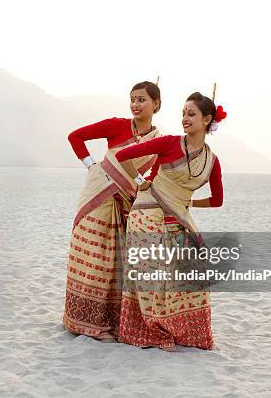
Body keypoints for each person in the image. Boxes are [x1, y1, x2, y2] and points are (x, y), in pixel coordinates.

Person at [114, 91, 227, 350]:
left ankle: (182, 330)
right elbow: (124, 155)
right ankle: (150, 329)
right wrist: (141, 181)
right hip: (147, 211)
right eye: (183, 114)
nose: (185, 119)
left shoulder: (212, 161)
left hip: (178, 215)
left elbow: (217, 200)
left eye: (191, 114)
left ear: (207, 119)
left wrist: (188, 204)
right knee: (153, 273)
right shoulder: (168, 143)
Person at [63, 81, 162, 341]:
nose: (135, 105)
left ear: (156, 104)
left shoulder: (159, 141)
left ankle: (111, 321)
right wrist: (92, 166)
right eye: (132, 99)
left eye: (141, 99)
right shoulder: (117, 125)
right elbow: (75, 136)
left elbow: (155, 172)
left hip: (126, 202)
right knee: (94, 257)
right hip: (98, 197)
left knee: (116, 262)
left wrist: (144, 187)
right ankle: (82, 321)